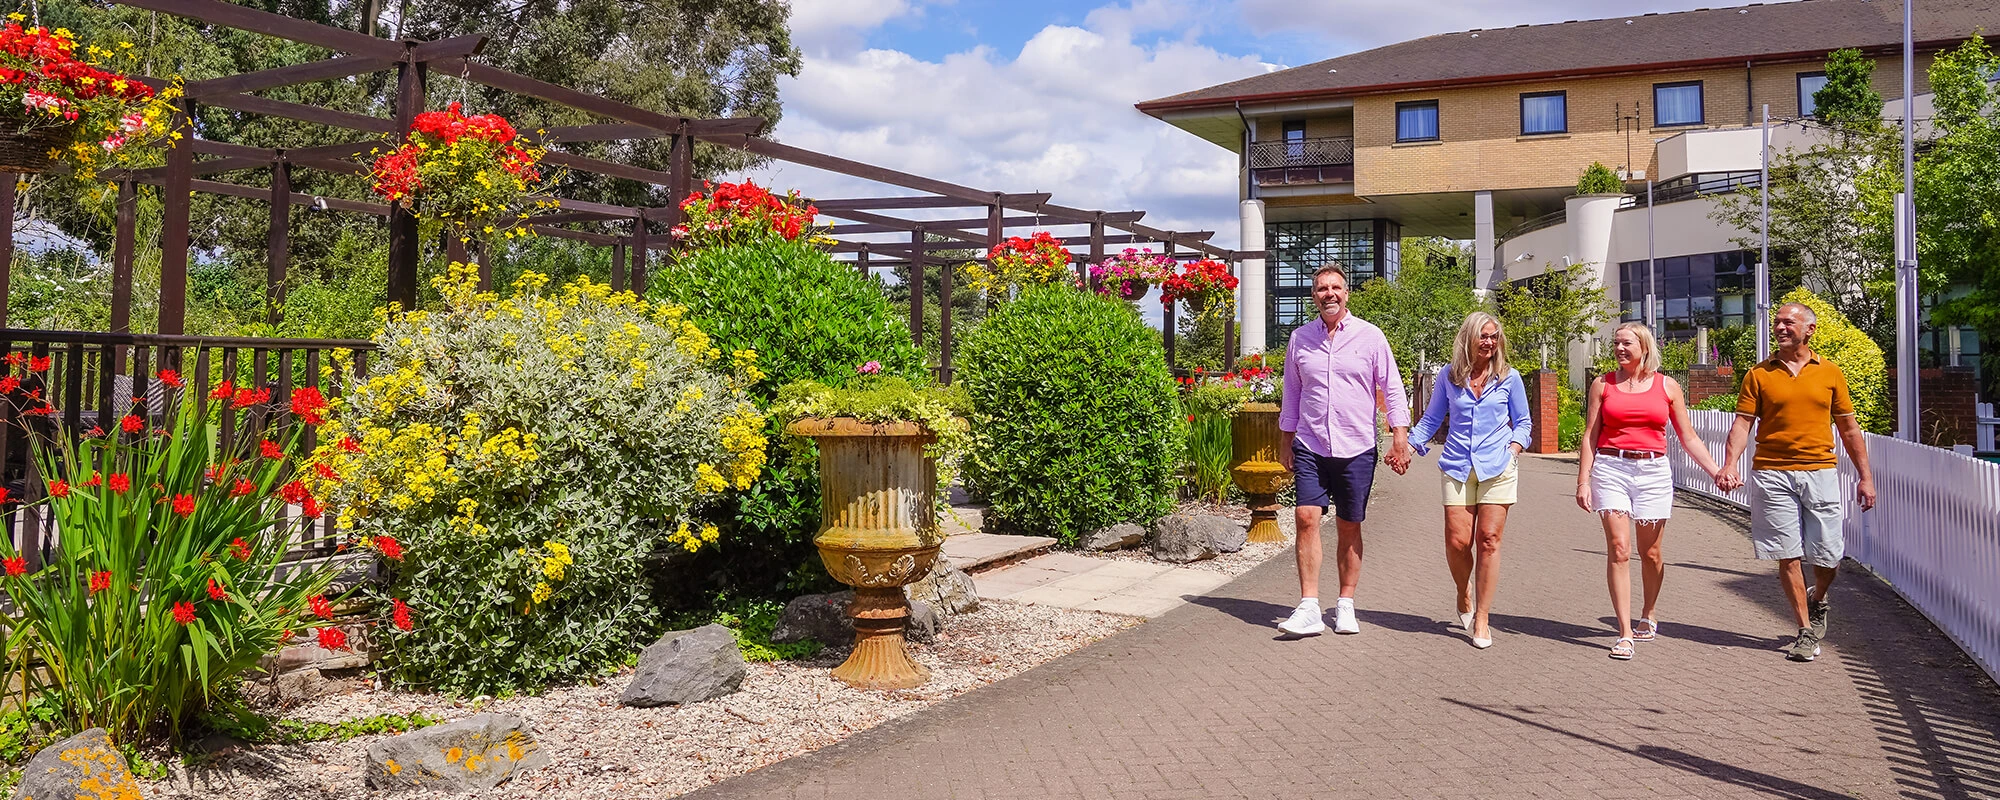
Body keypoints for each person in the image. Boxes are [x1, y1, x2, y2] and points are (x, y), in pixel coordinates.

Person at [1718, 302, 1876, 663]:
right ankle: (1804, 631)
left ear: (1810, 330)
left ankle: (1818, 597)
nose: (1780, 327)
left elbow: (1849, 429)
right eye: (1777, 322)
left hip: (1819, 471)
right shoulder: (1758, 374)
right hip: (1772, 473)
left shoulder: (1830, 373)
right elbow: (1742, 424)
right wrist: (1730, 464)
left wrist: (1865, 478)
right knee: (1787, 553)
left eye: (1789, 322)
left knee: (1829, 554)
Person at [1275, 263, 1413, 636]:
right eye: (1322, 289)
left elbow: (1393, 389)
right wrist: (1286, 442)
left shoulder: (1371, 337)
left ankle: (1346, 603)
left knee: (1349, 525)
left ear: (1346, 293)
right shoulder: (1300, 339)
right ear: (1314, 297)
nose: (1329, 294)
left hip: (1357, 446)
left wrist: (1400, 436)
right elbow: (1292, 393)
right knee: (1305, 517)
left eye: (1336, 288)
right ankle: (1308, 607)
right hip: (1311, 443)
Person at [1576, 322, 1726, 661]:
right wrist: (1583, 480)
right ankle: (1625, 632)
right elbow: (1590, 436)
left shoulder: (1667, 387)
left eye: (1626, 343)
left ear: (1644, 347)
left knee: (1651, 553)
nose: (1619, 349)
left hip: (1653, 472)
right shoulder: (1602, 385)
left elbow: (1688, 437)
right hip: (1611, 468)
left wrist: (1716, 471)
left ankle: (1649, 611)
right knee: (1619, 548)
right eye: (1616, 343)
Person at [1408, 312, 1530, 649]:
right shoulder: (1450, 376)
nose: (1489, 342)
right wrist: (1408, 446)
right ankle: (1464, 593)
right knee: (1458, 542)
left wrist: (1516, 446)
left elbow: (1523, 421)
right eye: (1483, 336)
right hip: (1458, 466)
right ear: (1469, 338)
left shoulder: (1510, 378)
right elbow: (1432, 418)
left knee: (1488, 539)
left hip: (1498, 467)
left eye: (1494, 336)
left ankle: (1483, 617)